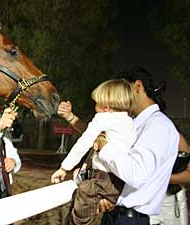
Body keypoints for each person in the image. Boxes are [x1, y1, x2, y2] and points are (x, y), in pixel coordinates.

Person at [58, 67, 180, 225]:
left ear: (137, 87)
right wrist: (71, 118)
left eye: (122, 89)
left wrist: (103, 148)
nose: (119, 95)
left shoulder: (158, 126)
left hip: (129, 218)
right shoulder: (131, 122)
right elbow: (97, 133)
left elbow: (136, 174)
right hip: (116, 214)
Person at [51, 79, 137, 225]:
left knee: (79, 214)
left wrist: (64, 167)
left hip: (100, 180)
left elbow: (84, 143)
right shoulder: (130, 122)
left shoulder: (102, 118)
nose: (94, 108)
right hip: (119, 183)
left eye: (96, 103)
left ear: (106, 107)